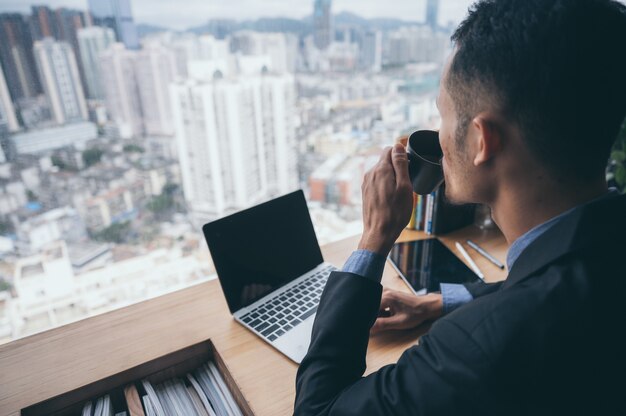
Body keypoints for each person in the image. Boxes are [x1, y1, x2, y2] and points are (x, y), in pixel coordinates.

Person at [294, 0, 626, 415]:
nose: (440, 136)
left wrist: (374, 239)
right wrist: (438, 302)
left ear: (482, 140)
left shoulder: (476, 350)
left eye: (443, 115)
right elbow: (553, 282)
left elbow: (317, 410)